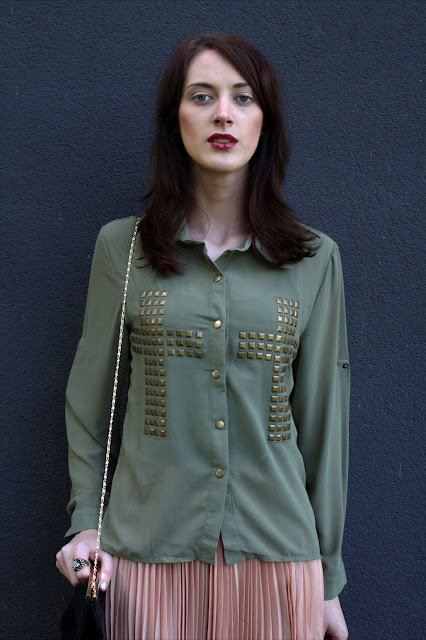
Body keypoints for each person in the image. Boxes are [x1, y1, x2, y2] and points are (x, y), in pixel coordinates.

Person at [56, 33, 350, 640]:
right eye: (202, 96)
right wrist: (86, 523)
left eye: (243, 98)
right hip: (146, 559)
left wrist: (328, 580)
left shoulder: (314, 259)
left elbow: (324, 424)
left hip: (279, 561)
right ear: (175, 120)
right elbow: (89, 404)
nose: (223, 114)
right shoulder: (124, 249)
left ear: (265, 122)